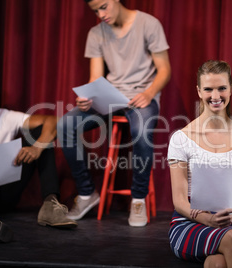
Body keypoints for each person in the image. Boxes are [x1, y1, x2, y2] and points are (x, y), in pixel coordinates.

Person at [57, 0, 171, 227]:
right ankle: (87, 193)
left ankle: (138, 199)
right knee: (64, 125)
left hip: (142, 98)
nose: (101, 14)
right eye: (95, 10)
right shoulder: (96, 33)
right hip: (110, 98)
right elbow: (96, 78)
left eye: (104, 6)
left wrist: (148, 93)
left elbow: (165, 70)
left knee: (140, 130)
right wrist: (88, 97)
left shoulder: (149, 24)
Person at [0, 78, 77, 243]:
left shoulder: (5, 117)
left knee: (41, 134)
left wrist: (37, 148)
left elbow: (52, 121)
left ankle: (50, 205)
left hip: (5, 188)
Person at [167, 60, 232, 267]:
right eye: (208, 89)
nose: (215, 96)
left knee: (217, 263)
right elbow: (180, 200)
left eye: (221, 88)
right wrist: (208, 220)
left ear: (231, 89)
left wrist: (228, 218)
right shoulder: (181, 138)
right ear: (199, 91)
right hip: (190, 221)